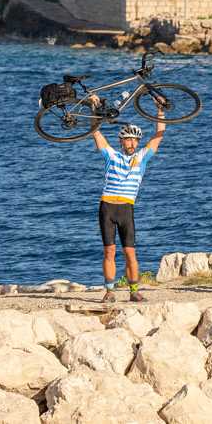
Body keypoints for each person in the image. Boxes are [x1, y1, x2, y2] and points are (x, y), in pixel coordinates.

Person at [88, 104, 166, 302]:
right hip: (107, 207)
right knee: (109, 251)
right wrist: (93, 109)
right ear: (121, 141)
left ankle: (134, 291)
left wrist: (159, 110)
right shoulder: (111, 155)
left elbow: (159, 133)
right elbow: (95, 132)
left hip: (126, 209)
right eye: (129, 139)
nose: (132, 143)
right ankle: (109, 292)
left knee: (130, 253)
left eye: (135, 140)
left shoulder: (141, 158)